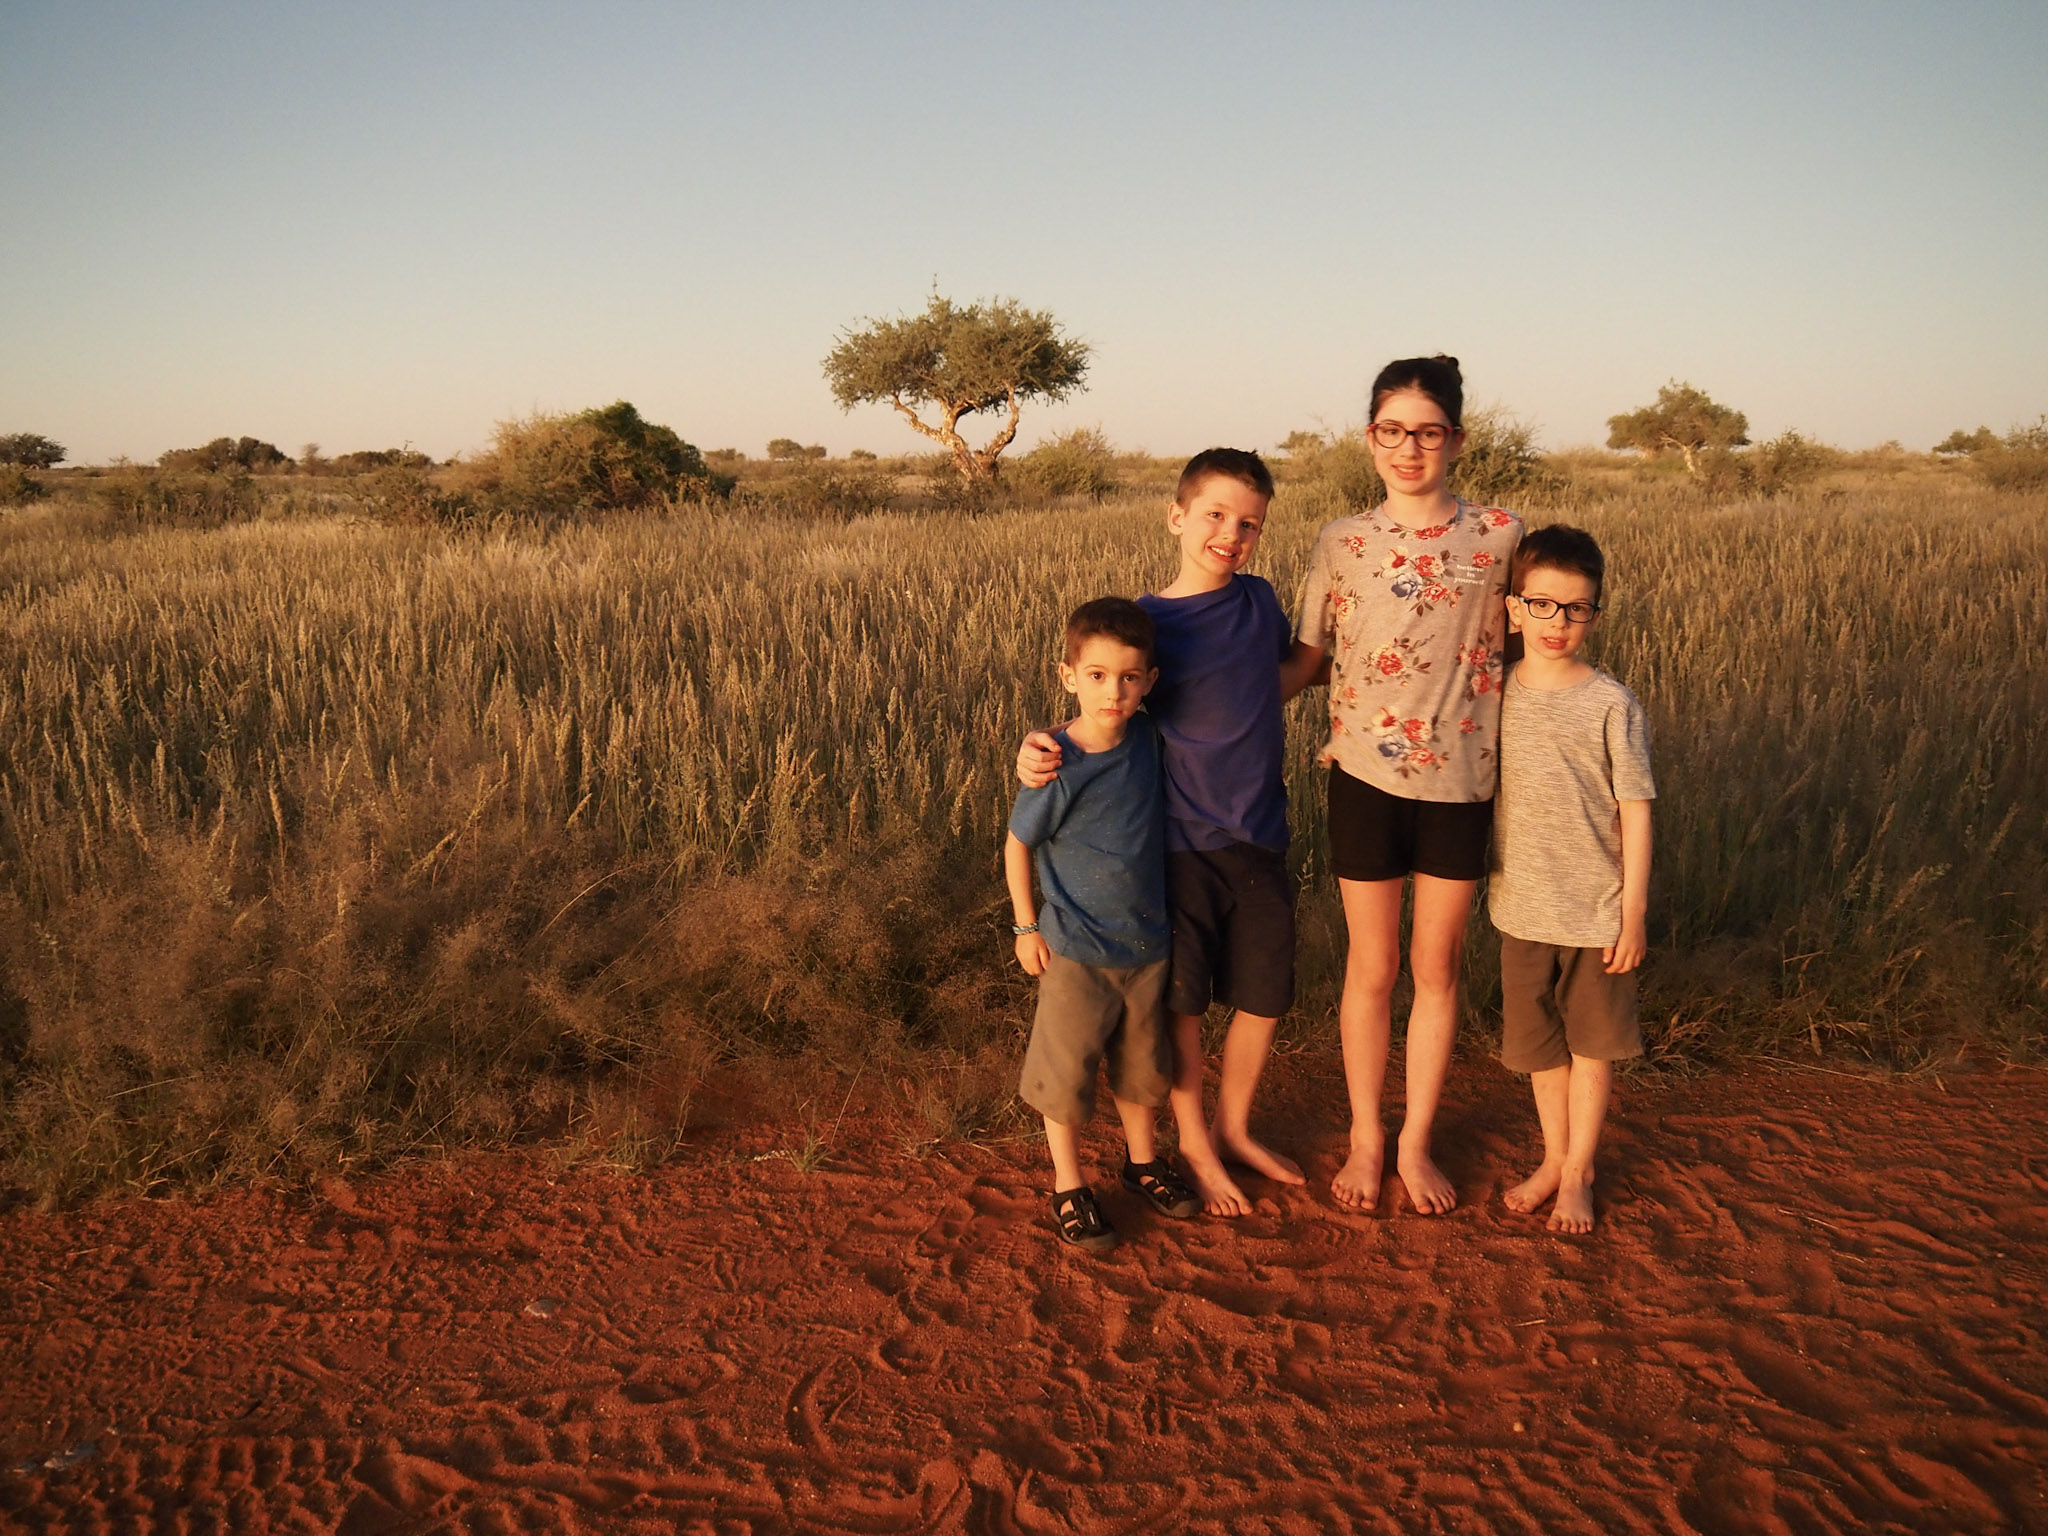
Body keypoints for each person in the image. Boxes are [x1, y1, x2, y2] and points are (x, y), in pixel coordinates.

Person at [1018, 450, 1316, 1219]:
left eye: (1248, 523)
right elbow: (1106, 708)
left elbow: (1270, 681)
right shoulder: (1155, 625)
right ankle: (1193, 1145)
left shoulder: (1259, 602)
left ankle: (1236, 1129)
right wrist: (1042, 746)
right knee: (1181, 1007)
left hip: (1262, 834)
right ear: (1177, 516)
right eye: (1215, 515)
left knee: (1264, 996)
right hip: (1182, 846)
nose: (1230, 533)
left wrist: (1342, 675)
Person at [1288, 355, 1521, 1215]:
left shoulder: (1501, 534)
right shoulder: (1340, 541)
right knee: (1373, 968)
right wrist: (1191, 698)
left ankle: (1415, 1142)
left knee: (1438, 967)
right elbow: (1311, 659)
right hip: (1362, 779)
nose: (1409, 448)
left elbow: (1531, 652)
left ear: (1456, 440)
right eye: (1393, 431)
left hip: (1462, 783)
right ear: (1369, 438)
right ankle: (1364, 1137)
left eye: (1427, 432)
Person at [1006, 597, 1202, 1251]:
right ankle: (1069, 1185)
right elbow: (1017, 845)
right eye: (1095, 676)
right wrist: (1025, 927)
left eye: (1126, 677)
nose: (1111, 691)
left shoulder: (1146, 735)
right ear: (1069, 677)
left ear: (1148, 682)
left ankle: (1142, 1163)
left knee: (1143, 1069)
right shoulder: (1058, 762)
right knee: (1066, 1078)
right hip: (1076, 951)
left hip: (1147, 944)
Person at [1490, 524, 1655, 1233]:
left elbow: (1637, 812)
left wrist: (1634, 913)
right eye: (1543, 604)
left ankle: (1580, 1173)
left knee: (1591, 1050)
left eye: (1577, 608)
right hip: (1521, 909)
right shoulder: (1493, 694)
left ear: (1595, 613)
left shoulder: (1611, 704)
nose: (1558, 622)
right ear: (1513, 608)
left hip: (1595, 914)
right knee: (1542, 1054)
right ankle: (1554, 1158)